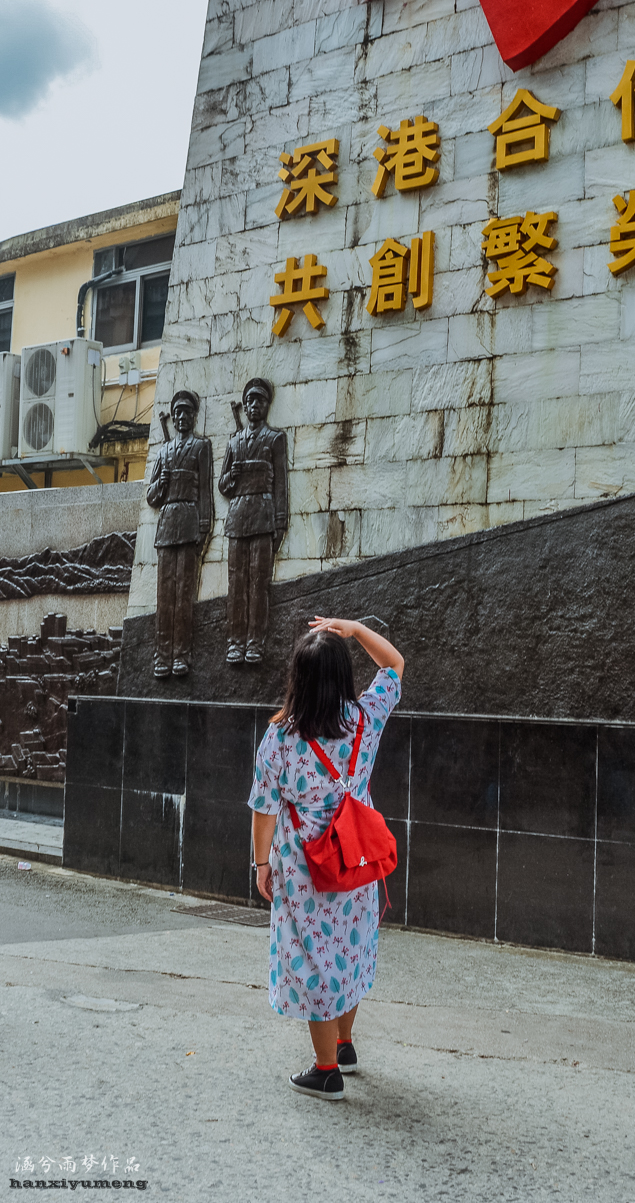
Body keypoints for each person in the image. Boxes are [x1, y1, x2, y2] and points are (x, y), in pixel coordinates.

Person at [248, 616, 404, 1102]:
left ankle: (326, 1071)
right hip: (356, 858)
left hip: (304, 868)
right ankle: (345, 1043)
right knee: (350, 951)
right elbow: (395, 664)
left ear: (298, 677)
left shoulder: (280, 739)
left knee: (313, 960)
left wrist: (261, 864)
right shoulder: (365, 718)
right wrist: (355, 630)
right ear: (343, 675)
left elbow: (264, 809)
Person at [218, 377, 289, 665]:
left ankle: (255, 642)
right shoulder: (233, 442)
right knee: (237, 585)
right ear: (245, 407)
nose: (254, 406)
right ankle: (235, 641)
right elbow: (223, 486)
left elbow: (281, 484)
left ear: (266, 406)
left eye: (260, 401)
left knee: (259, 585)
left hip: (262, 519)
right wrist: (231, 476)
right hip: (237, 521)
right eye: (250, 401)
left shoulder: (275, 439)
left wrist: (280, 522)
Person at [145, 389, 213, 678]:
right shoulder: (164, 451)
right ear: (172, 419)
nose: (182, 417)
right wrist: (161, 482)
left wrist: (204, 528)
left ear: (194, 416)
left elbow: (206, 493)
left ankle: (181, 655)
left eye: (187, 412)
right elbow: (151, 497)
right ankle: (162, 655)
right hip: (167, 526)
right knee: (165, 598)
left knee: (184, 596)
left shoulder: (201, 446)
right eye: (178, 413)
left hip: (188, 525)